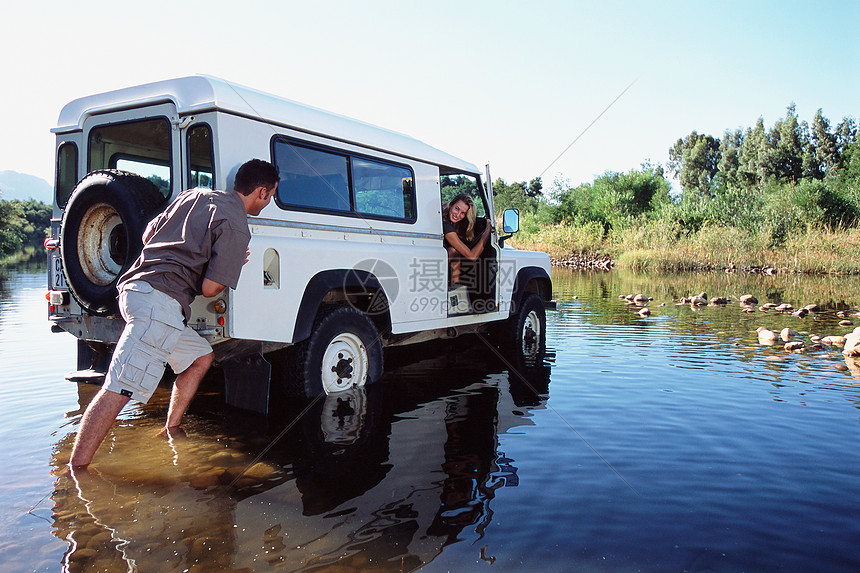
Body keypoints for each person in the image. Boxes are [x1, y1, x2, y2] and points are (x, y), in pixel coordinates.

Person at [69, 159, 280, 468]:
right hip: (160, 303)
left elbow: (147, 236)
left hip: (136, 291)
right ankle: (76, 472)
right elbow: (210, 289)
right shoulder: (237, 226)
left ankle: (171, 427)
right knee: (119, 387)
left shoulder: (194, 194)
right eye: (271, 194)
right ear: (261, 191)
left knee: (200, 357)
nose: (270, 200)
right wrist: (234, 265)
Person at [442, 193, 493, 285]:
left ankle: (454, 286)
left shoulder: (444, 214)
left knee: (455, 252)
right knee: (453, 251)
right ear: (451, 205)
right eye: (456, 209)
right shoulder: (447, 227)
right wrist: (487, 230)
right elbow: (472, 256)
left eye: (463, 213)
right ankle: (453, 286)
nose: (457, 215)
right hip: (434, 262)